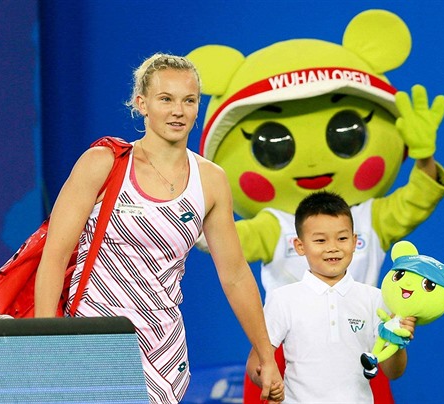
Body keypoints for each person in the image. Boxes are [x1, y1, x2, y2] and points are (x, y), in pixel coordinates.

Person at [34, 53, 284, 404]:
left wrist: (264, 352)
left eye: (189, 100)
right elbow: (54, 257)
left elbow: (235, 275)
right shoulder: (102, 164)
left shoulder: (211, 181)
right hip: (92, 337)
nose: (177, 111)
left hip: (164, 351)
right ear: (142, 104)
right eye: (165, 99)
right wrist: (47, 346)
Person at [246, 191, 416, 403]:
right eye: (320, 240)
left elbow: (393, 372)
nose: (332, 248)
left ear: (354, 242)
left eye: (342, 238)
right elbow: (256, 361)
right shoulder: (283, 299)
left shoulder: (375, 298)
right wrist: (265, 379)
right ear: (300, 246)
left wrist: (397, 341)